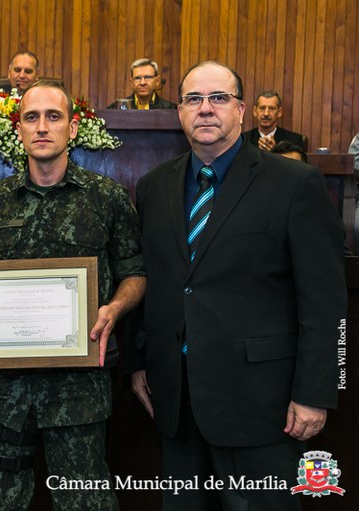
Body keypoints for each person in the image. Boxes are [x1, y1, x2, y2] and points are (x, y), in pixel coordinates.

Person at [133, 61, 346, 510]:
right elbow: (153, 281)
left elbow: (325, 302)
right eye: (193, 99)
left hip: (262, 407)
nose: (205, 108)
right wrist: (138, 363)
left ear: (242, 110)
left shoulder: (295, 183)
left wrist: (316, 393)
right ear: (179, 112)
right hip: (176, 403)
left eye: (219, 98)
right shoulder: (153, 186)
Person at [0, 80, 146, 510]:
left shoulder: (107, 198)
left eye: (53, 117)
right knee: (0, 503)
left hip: (78, 392)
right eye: (31, 117)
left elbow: (135, 274)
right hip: (6, 393)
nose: (42, 127)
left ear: (72, 128)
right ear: (19, 129)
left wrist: (114, 307)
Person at [107, 58, 177, 110]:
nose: (142, 83)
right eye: (137, 78)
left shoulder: (170, 109)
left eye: (147, 77)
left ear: (157, 81)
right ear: (131, 82)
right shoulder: (116, 108)